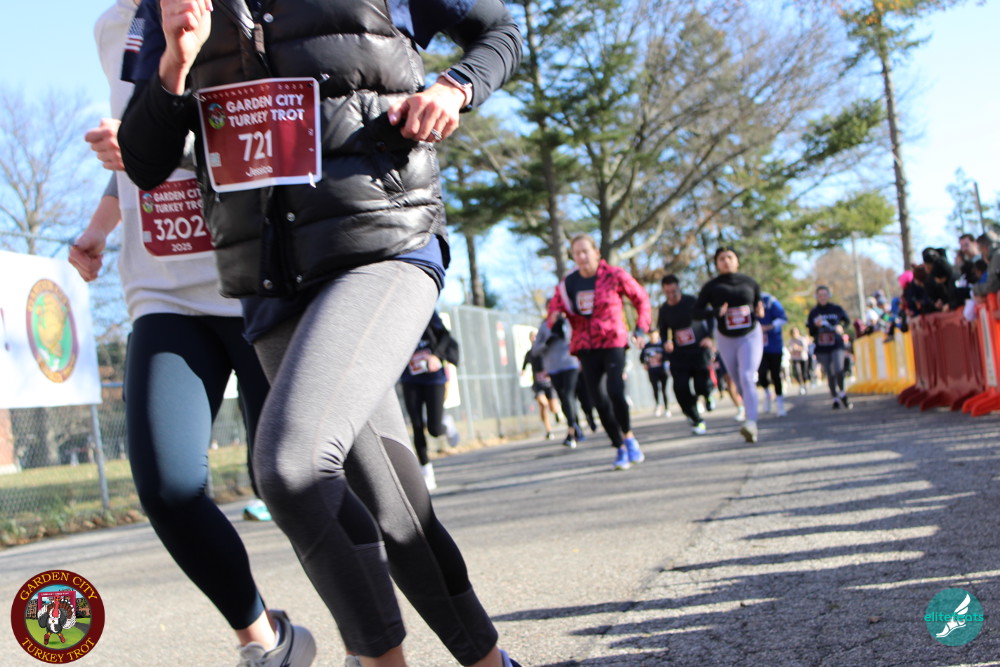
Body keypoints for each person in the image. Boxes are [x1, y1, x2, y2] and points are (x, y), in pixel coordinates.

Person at [117, 0, 523, 665]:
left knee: (291, 466)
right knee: (396, 509)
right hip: (270, 279)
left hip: (383, 241)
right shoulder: (167, 7)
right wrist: (175, 63)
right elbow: (143, 161)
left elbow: (501, 29)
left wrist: (456, 87)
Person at [71, 2, 314, 664]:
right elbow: (131, 148)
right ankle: (264, 640)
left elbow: (274, 125)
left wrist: (155, 145)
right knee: (168, 487)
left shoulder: (232, 7)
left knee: (293, 483)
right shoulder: (112, 26)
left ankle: (376, 641)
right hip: (161, 289)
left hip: (255, 276)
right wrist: (99, 225)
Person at [546, 234, 651, 470]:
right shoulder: (568, 284)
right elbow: (554, 307)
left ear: (596, 253)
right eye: (577, 253)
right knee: (599, 400)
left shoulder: (614, 275)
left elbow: (641, 298)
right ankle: (619, 446)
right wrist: (554, 316)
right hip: (585, 346)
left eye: (585, 251)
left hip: (613, 341)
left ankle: (629, 436)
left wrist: (641, 328)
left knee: (615, 391)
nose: (581, 257)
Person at [693, 247, 764, 444]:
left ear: (737, 260)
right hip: (726, 338)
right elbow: (696, 313)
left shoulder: (749, 282)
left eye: (730, 257)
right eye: (721, 258)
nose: (726, 261)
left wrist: (760, 311)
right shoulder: (711, 287)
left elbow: (759, 306)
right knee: (738, 381)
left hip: (750, 335)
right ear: (717, 263)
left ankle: (751, 422)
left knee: (747, 376)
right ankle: (748, 410)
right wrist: (715, 312)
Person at [399, 311, 461, 492]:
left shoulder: (424, 308)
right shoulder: (392, 312)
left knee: (434, 429)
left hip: (433, 378)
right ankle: (427, 472)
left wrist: (436, 355)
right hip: (410, 378)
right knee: (417, 425)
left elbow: (445, 336)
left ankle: (445, 423)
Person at [658, 274, 714, 435]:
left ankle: (707, 395)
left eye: (674, 291)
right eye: (668, 292)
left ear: (679, 288)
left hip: (698, 350)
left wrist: (710, 337)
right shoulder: (664, 310)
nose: (672, 295)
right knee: (680, 388)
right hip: (679, 354)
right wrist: (666, 342)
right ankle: (696, 419)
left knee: (701, 385)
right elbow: (663, 331)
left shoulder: (692, 301)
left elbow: (710, 316)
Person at [531, 314, 584, 448]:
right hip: (553, 369)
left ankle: (571, 430)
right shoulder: (544, 326)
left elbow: (578, 338)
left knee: (568, 395)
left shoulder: (570, 321)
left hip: (570, 365)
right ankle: (575, 426)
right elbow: (535, 350)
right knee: (563, 398)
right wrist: (547, 342)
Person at [807, 286, 853, 410]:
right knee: (830, 373)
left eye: (824, 294)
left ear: (828, 295)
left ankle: (842, 392)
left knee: (838, 369)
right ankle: (835, 398)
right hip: (822, 346)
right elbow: (810, 332)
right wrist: (815, 326)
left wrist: (841, 327)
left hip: (836, 344)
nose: (822, 297)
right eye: (820, 295)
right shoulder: (814, 312)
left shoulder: (836, 309)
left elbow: (847, 321)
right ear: (817, 297)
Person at [522, 330, 561, 440]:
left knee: (553, 408)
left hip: (549, 383)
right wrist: (523, 372)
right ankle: (549, 430)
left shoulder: (545, 350)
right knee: (543, 404)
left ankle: (557, 413)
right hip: (538, 384)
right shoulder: (530, 353)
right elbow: (524, 366)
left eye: (536, 336)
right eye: (532, 336)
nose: (534, 338)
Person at [757, 292, 787, 417]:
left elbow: (783, 318)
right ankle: (767, 394)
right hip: (758, 347)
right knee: (761, 374)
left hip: (774, 345)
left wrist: (768, 327)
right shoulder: (748, 300)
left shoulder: (769, 300)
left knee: (775, 374)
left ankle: (780, 403)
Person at [639, 330, 671, 418]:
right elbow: (642, 358)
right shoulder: (647, 346)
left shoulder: (661, 345)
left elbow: (667, 356)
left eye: (654, 334)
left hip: (662, 370)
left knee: (664, 390)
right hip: (652, 371)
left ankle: (667, 408)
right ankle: (658, 406)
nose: (652, 336)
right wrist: (645, 363)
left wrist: (662, 359)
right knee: (655, 389)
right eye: (651, 334)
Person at [787, 326, 811, 395]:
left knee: (804, 373)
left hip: (803, 358)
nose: (795, 334)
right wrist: (792, 349)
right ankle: (801, 386)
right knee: (798, 373)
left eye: (796, 332)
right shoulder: (790, 341)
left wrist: (798, 348)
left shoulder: (802, 339)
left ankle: (805, 385)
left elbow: (806, 348)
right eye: (793, 333)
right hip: (795, 359)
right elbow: (789, 349)